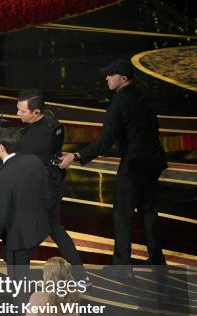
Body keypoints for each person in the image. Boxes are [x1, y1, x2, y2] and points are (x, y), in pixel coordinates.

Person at [59, 59, 167, 273]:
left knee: (123, 216)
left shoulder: (118, 104)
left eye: (111, 74)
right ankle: (157, 259)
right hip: (153, 162)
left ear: (123, 78)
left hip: (134, 165)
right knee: (148, 211)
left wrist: (77, 155)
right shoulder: (144, 96)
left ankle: (122, 267)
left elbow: (105, 141)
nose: (106, 77)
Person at [0, 89, 87, 281]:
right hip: (53, 183)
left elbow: (16, 172)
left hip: (40, 189)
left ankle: (19, 288)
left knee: (19, 234)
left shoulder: (32, 142)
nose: (17, 114)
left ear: (36, 112)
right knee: (56, 229)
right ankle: (81, 276)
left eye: (22, 111)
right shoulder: (52, 120)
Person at [0, 127, 50, 287]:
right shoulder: (34, 160)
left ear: (1, 147)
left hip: (18, 236)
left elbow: (1, 218)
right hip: (36, 226)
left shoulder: (4, 176)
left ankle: (21, 307)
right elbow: (44, 193)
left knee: (18, 279)